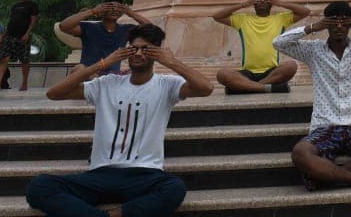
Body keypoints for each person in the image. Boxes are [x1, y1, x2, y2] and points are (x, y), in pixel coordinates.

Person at [27, 24, 213, 217]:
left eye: (146, 49)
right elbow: (54, 93)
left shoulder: (167, 85)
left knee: (174, 188)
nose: (138, 53)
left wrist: (172, 62)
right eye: (134, 48)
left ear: (157, 53)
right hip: (101, 173)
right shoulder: (107, 84)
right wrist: (103, 64)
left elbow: (205, 88)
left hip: (145, 174)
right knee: (39, 186)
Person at [272, 1, 351, 190]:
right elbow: (278, 43)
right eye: (333, 23)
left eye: (344, 23)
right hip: (325, 127)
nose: (339, 27)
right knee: (300, 153)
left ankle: (323, 177)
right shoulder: (312, 51)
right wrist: (312, 27)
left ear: (350, 25)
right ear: (326, 25)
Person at [212, 0, 311, 94]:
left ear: (272, 3)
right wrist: (243, 5)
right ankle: (265, 88)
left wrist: (280, 3)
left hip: (272, 73)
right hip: (248, 73)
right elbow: (217, 16)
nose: (263, 0)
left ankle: (247, 88)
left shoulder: (281, 19)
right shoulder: (242, 20)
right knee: (222, 74)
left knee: (291, 66)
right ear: (253, 4)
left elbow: (305, 12)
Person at [59, 0, 153, 76]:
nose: (115, 10)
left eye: (118, 8)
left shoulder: (126, 30)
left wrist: (131, 13)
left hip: (113, 75)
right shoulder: (89, 27)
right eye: (110, 7)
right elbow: (63, 26)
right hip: (90, 73)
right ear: (102, 9)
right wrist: (93, 11)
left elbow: (152, 29)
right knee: (78, 69)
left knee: (138, 72)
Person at [0, 0, 40, 91]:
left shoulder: (32, 5)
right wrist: (5, 34)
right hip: (9, 35)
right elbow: (11, 20)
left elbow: (34, 20)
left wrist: (27, 34)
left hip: (23, 36)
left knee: (24, 60)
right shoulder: (15, 6)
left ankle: (24, 83)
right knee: (4, 58)